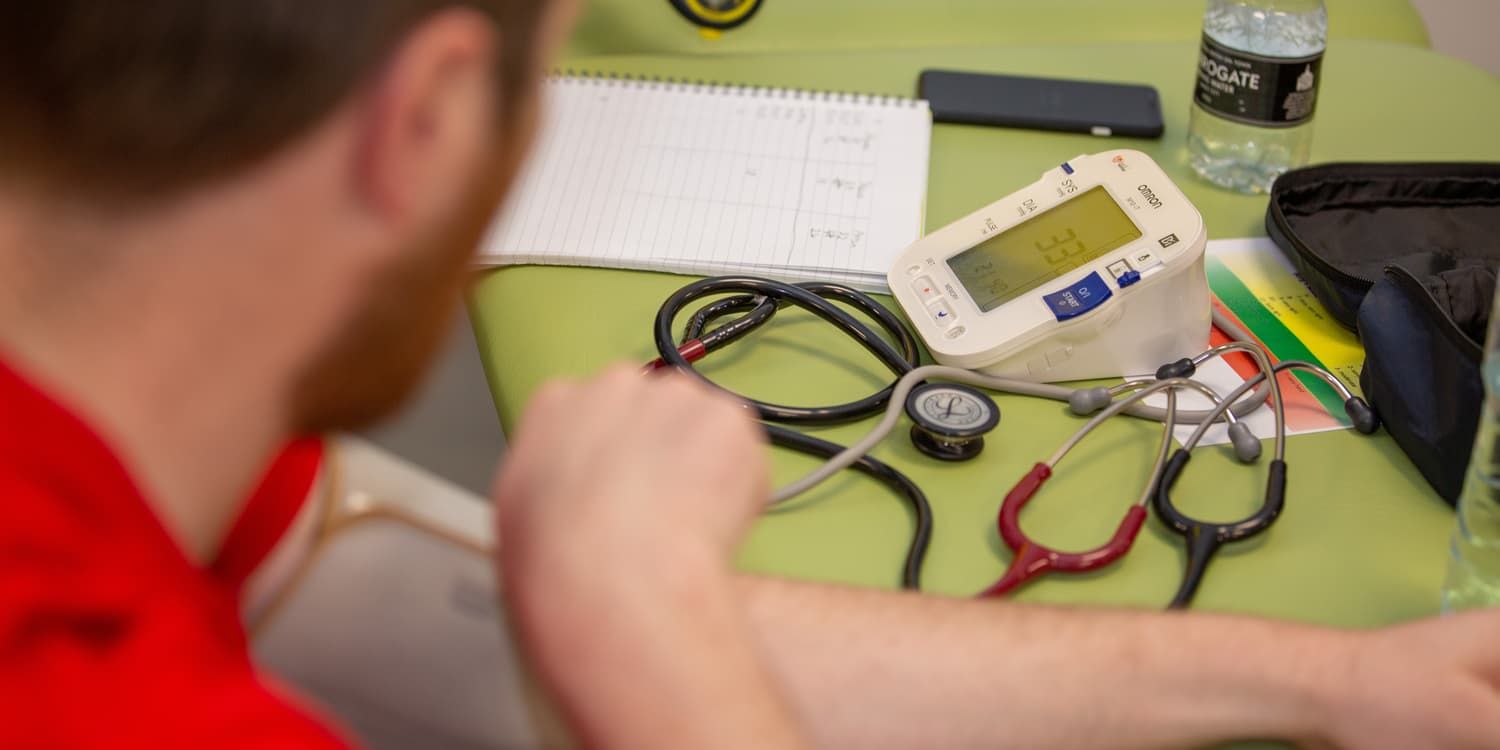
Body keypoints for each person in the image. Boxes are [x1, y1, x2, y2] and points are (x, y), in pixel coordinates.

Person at [0, 1, 1497, 748]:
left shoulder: (111, 455)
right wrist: (649, 636)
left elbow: (458, 622)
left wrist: (1336, 677)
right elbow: (610, 627)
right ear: (434, 114)